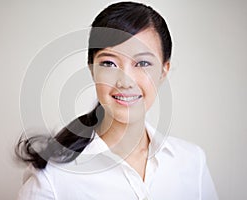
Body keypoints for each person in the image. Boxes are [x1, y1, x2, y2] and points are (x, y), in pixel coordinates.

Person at [16, 2, 219, 200]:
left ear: (163, 71)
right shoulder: (51, 177)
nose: (125, 81)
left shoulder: (192, 162)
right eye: (109, 63)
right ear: (92, 69)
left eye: (142, 63)